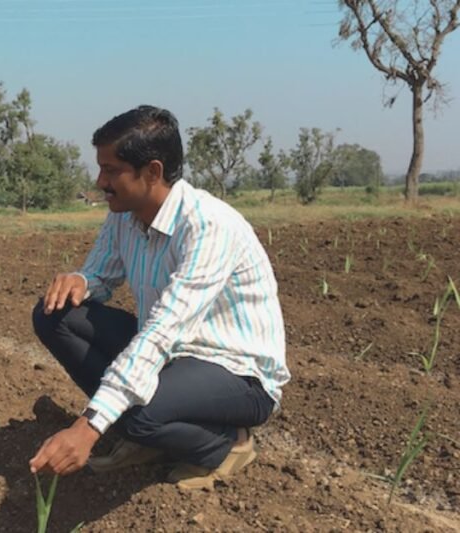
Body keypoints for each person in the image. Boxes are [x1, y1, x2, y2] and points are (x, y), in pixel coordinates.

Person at [28, 106, 290, 490]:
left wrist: (88, 426)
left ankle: (226, 445)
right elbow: (101, 272)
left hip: (237, 371)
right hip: (175, 357)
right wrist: (82, 282)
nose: (101, 182)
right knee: (55, 314)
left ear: (152, 172)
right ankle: (143, 433)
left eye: (111, 170)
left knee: (137, 413)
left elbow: (162, 331)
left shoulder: (207, 226)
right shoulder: (124, 214)